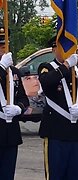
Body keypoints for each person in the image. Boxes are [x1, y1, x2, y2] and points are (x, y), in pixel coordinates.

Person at [38, 36, 78, 180]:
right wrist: (66, 65)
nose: (66, 52)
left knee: (74, 174)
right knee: (56, 175)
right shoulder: (47, 67)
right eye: (62, 48)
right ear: (54, 49)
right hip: (56, 132)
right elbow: (47, 81)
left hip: (76, 132)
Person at [0, 27, 29, 180]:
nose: (2, 50)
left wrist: (19, 108)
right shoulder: (3, 69)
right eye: (0, 47)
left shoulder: (13, 72)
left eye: (4, 46)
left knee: (7, 174)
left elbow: (24, 98)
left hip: (10, 133)